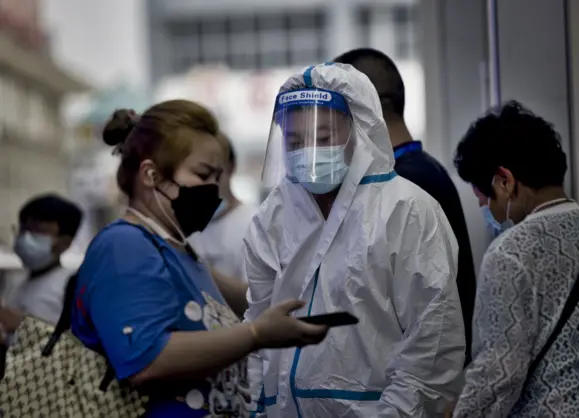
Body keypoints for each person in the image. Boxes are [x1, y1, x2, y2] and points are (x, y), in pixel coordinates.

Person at [71, 102, 327, 418]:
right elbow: (147, 360)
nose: (213, 190)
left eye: (217, 177)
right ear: (151, 175)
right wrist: (255, 335)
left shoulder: (176, 248)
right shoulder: (123, 247)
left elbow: (246, 297)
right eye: (202, 174)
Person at [245, 62, 465, 417]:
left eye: (323, 137)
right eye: (294, 141)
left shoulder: (407, 211)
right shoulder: (273, 217)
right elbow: (256, 324)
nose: (308, 152)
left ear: (357, 130)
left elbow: (432, 345)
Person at [451, 101, 579, 417]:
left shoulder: (509, 253)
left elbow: (497, 376)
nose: (484, 206)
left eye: (482, 196)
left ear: (504, 180)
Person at [333, 48, 476, 363]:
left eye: (337, 110)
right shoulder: (419, 169)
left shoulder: (408, 183)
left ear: (364, 106)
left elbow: (416, 309)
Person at [0, 194, 82, 336]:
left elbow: (80, 342)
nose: (26, 238)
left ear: (64, 243)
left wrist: (21, 324)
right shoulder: (17, 284)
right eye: (23, 229)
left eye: (38, 232)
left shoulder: (72, 285)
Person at [190, 134, 258, 283]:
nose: (205, 185)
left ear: (230, 167)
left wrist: (195, 270)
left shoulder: (256, 226)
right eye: (199, 175)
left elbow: (256, 299)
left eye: (213, 174)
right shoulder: (182, 226)